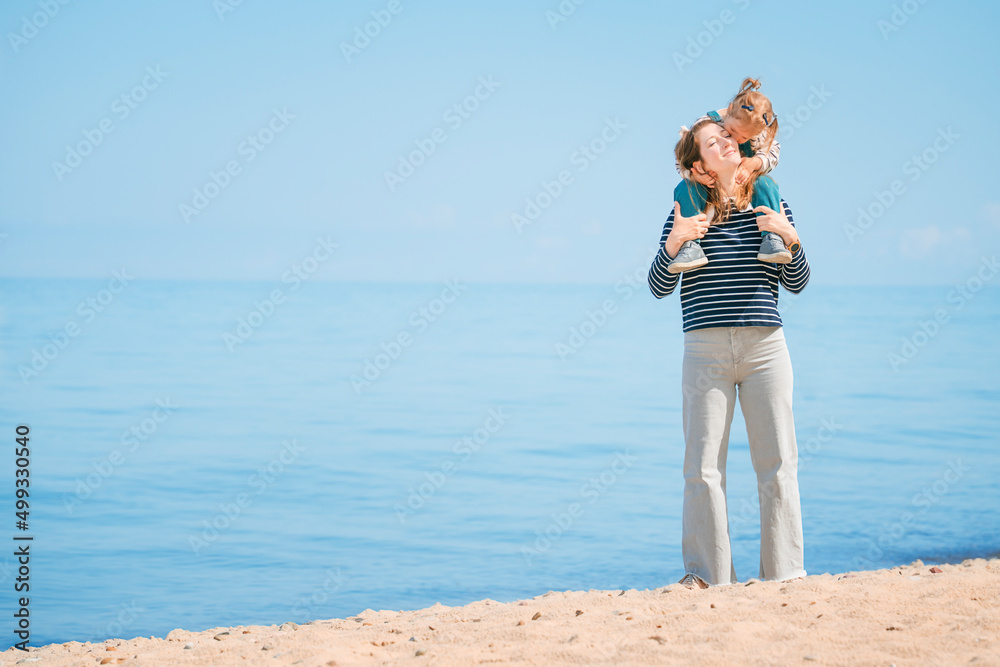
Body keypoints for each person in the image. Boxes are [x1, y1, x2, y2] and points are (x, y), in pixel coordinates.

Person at [647, 116, 810, 589]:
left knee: (778, 463)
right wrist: (675, 243)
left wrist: (792, 239)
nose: (727, 145)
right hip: (705, 349)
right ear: (699, 166)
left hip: (766, 347)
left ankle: (785, 575)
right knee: (702, 468)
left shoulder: (770, 199)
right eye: (713, 144)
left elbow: (797, 282)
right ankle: (706, 576)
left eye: (727, 138)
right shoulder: (686, 210)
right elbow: (659, 285)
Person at [669, 77, 790, 273]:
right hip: (706, 189)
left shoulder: (755, 129)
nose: (735, 139)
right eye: (730, 132)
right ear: (731, 108)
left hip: (747, 187)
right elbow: (682, 155)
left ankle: (772, 238)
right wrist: (695, 175)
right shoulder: (707, 124)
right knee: (686, 187)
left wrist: (755, 163)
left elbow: (773, 152)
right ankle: (690, 246)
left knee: (765, 183)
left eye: (745, 138)